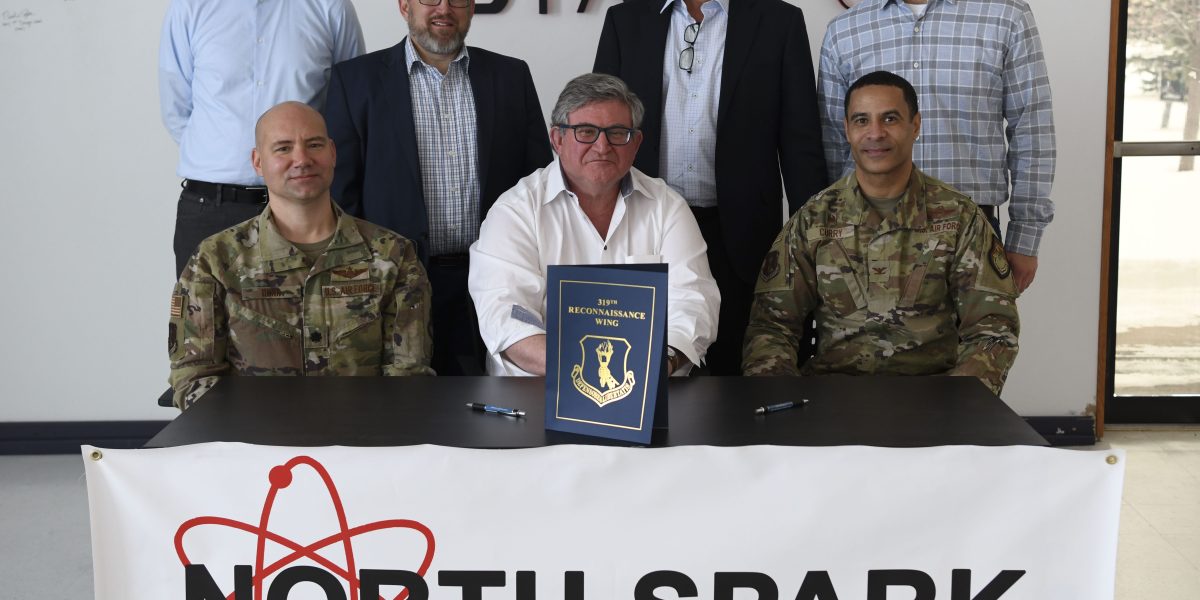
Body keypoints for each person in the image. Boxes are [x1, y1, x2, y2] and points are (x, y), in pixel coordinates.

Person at [743, 72, 1019, 394]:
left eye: (890, 118)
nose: (875, 133)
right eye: (862, 120)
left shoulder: (960, 218)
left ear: (915, 125)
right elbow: (771, 327)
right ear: (847, 130)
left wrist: (957, 405)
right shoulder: (814, 220)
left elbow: (993, 330)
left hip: (933, 401)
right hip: (833, 401)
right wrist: (785, 405)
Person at [593, 0, 827, 375]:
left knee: (737, 373)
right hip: (644, 234)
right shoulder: (626, 19)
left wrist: (814, 250)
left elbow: (801, 144)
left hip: (741, 239)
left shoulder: (778, 21)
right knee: (642, 369)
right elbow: (601, 131)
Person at [324, 0, 552, 375]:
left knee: (490, 397)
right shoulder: (356, 81)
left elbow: (538, 183)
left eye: (457, 0)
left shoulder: (511, 76)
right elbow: (341, 197)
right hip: (392, 284)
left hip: (494, 281)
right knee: (403, 401)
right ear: (404, 6)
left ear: (472, 8)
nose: (444, 9)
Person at [168, 102, 433, 410]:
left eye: (314, 145)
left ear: (332, 153)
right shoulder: (214, 260)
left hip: (364, 435)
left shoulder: (393, 255)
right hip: (254, 438)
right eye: (283, 148)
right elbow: (194, 377)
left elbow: (407, 378)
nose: (302, 159)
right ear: (258, 162)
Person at [469, 73, 719, 377]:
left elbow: (693, 303)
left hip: (649, 386)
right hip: (536, 391)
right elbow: (507, 316)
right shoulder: (514, 212)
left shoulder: (668, 208)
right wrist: (587, 370)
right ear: (557, 140)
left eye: (617, 133)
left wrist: (659, 363)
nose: (602, 147)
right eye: (586, 131)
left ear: (636, 143)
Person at [818, 0, 1055, 293]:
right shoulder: (845, 30)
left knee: (980, 326)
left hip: (969, 237)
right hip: (866, 235)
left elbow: (1032, 127)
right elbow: (833, 142)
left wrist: (1025, 238)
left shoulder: (1007, 16)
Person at [159, 0, 364, 277]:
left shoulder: (330, 6)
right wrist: (224, 158)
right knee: (200, 306)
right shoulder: (189, 7)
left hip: (304, 208)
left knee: (314, 306)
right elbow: (177, 110)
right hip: (211, 211)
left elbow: (349, 103)